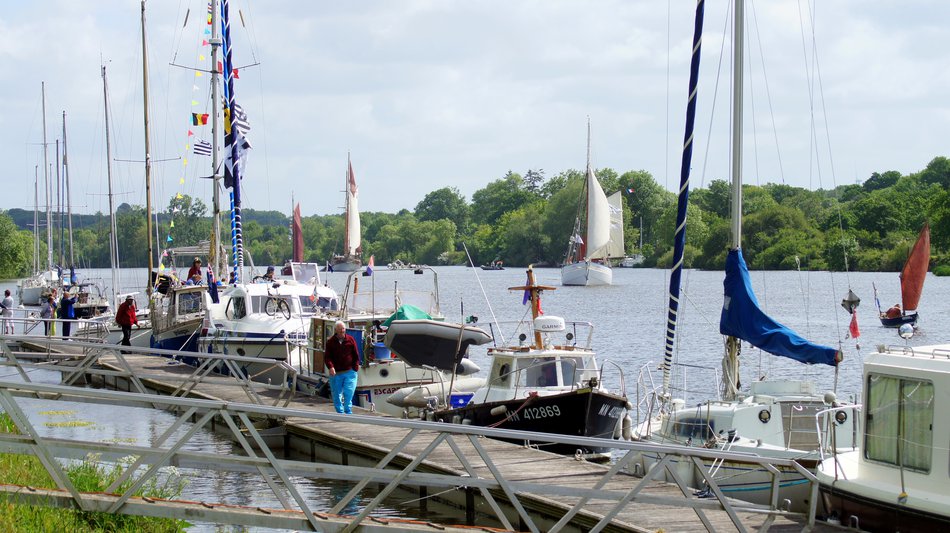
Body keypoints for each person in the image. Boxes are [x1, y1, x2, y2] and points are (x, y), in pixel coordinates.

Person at [324, 320, 360, 414]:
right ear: (336, 330)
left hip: (350, 371)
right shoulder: (330, 342)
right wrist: (330, 367)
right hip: (336, 373)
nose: (342, 331)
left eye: (343, 328)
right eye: (339, 329)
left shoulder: (351, 340)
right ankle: (340, 412)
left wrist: (355, 367)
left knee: (349, 392)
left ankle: (348, 411)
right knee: (337, 394)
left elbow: (356, 354)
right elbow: (327, 357)